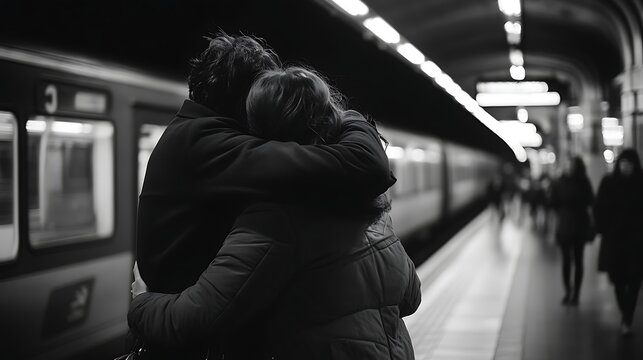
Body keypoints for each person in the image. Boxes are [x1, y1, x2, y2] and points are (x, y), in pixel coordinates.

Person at [128, 66, 421, 359]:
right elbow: (410, 297)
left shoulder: (275, 220)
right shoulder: (373, 204)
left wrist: (142, 302)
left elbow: (195, 318)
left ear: (262, 132)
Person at [594, 149, 643, 336]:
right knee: (618, 280)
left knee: (634, 278)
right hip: (615, 240)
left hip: (637, 241)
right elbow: (598, 207)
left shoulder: (640, 183)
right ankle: (626, 313)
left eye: (629, 163)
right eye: (623, 163)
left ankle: (627, 319)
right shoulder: (609, 182)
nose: (626, 166)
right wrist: (603, 228)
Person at [550, 156, 594, 306]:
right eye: (567, 164)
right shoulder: (562, 182)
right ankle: (569, 291)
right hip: (567, 225)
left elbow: (591, 201)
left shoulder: (577, 182)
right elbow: (553, 203)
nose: (568, 167)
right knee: (568, 260)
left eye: (571, 165)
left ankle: (575, 294)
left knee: (577, 260)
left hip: (576, 226)